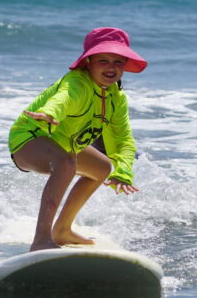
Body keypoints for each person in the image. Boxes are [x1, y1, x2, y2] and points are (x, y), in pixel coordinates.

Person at [8, 27, 147, 251]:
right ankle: (41, 240)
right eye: (103, 60)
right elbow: (63, 99)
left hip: (64, 144)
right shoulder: (76, 83)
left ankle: (62, 230)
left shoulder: (116, 99)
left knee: (102, 167)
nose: (111, 67)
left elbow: (124, 139)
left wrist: (124, 171)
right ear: (88, 62)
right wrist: (50, 114)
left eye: (118, 62)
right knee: (66, 163)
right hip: (31, 137)